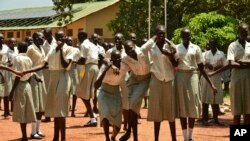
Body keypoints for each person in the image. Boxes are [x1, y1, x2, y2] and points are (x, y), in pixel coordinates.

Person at [22, 30, 80, 141]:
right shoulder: (52, 49)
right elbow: (43, 65)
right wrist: (27, 71)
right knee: (55, 109)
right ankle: (55, 137)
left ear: (65, 37)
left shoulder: (71, 49)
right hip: (52, 78)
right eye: (57, 36)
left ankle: (63, 138)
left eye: (62, 36)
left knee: (61, 110)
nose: (59, 38)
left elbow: (66, 65)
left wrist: (61, 49)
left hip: (63, 76)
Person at [174, 27, 217, 141]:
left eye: (188, 35)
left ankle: (190, 137)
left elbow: (201, 68)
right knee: (182, 106)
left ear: (190, 36)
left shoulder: (196, 48)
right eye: (184, 35)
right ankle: (184, 138)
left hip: (193, 75)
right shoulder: (176, 48)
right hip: (180, 76)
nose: (187, 37)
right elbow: (173, 64)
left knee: (193, 106)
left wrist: (211, 84)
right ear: (181, 36)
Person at [142, 25, 177, 141]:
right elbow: (142, 49)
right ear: (156, 34)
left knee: (170, 110)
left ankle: (174, 139)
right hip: (156, 79)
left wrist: (168, 53)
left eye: (164, 33)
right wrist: (152, 39)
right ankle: (156, 138)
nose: (162, 35)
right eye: (159, 33)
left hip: (168, 80)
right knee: (157, 111)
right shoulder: (151, 47)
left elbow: (175, 63)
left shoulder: (169, 46)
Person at [119, 40, 151, 141]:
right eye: (127, 50)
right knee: (130, 106)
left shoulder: (142, 52)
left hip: (145, 79)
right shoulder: (125, 58)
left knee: (133, 103)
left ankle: (129, 131)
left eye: (131, 48)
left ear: (135, 46)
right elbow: (122, 70)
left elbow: (153, 39)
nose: (130, 51)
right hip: (133, 78)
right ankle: (133, 135)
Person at [9, 41, 37, 141]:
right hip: (27, 85)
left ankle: (24, 136)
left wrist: (12, 91)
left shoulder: (17, 58)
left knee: (21, 112)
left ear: (19, 49)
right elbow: (29, 74)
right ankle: (26, 135)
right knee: (26, 110)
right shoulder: (28, 59)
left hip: (19, 86)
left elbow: (17, 76)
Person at [95, 50, 125, 141]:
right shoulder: (105, 66)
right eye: (114, 59)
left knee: (118, 126)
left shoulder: (124, 66)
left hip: (116, 92)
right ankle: (107, 138)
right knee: (105, 114)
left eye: (119, 59)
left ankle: (113, 136)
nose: (117, 61)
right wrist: (106, 69)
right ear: (111, 59)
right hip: (104, 91)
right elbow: (96, 85)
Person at [76, 30, 103, 127]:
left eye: (78, 36)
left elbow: (83, 60)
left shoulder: (84, 45)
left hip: (89, 68)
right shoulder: (93, 45)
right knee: (89, 93)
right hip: (95, 68)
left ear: (82, 36)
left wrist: (74, 62)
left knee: (82, 93)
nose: (78, 39)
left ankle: (92, 117)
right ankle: (93, 115)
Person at [226, 23, 250, 125]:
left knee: (248, 111)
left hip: (248, 79)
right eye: (242, 31)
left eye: (246, 31)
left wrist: (240, 62)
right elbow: (231, 63)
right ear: (238, 32)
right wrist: (247, 64)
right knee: (237, 111)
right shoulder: (232, 46)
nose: (244, 33)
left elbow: (236, 62)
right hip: (236, 80)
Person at [106, 33, 129, 131]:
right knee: (113, 99)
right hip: (113, 77)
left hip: (125, 77)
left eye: (119, 39)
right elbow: (106, 62)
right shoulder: (110, 51)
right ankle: (114, 122)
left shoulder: (127, 51)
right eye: (116, 39)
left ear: (123, 40)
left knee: (126, 101)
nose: (117, 41)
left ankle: (126, 125)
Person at [26, 32, 47, 139]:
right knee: (35, 105)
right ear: (34, 38)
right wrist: (30, 76)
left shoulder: (41, 48)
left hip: (41, 77)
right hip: (33, 78)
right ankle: (33, 131)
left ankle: (38, 129)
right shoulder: (31, 48)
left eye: (43, 37)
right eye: (40, 37)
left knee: (41, 105)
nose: (42, 39)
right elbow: (27, 64)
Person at [200, 39, 227, 126]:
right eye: (210, 44)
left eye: (213, 43)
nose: (211, 45)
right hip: (206, 77)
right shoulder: (205, 54)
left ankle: (215, 118)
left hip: (217, 77)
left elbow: (225, 65)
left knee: (215, 98)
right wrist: (207, 65)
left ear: (216, 44)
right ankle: (205, 118)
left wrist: (219, 66)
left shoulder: (221, 53)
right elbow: (201, 65)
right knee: (205, 97)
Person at [41, 28, 57, 123]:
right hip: (46, 71)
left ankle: (56, 115)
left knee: (55, 92)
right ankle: (47, 115)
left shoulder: (56, 43)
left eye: (47, 34)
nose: (45, 36)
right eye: (44, 35)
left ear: (51, 33)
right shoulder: (44, 44)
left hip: (55, 70)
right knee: (46, 93)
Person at [65, 36, 80, 117]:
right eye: (68, 40)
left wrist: (73, 61)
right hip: (66, 71)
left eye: (71, 40)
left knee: (74, 92)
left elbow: (78, 60)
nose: (70, 42)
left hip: (74, 70)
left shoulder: (76, 50)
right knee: (66, 91)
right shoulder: (64, 49)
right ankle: (66, 109)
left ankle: (73, 111)